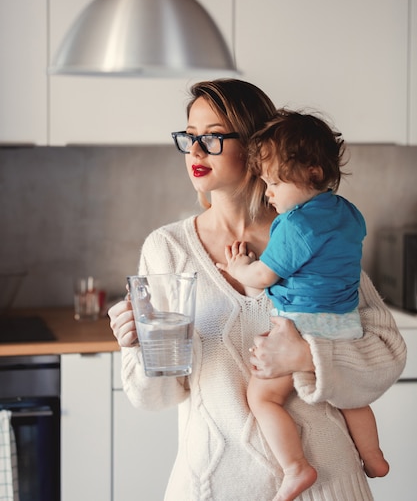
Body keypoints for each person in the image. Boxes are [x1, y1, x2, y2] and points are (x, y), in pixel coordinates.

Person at [108, 78, 406, 501]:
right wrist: (139, 344)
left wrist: (307, 356)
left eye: (211, 138)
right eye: (189, 138)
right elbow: (155, 396)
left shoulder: (313, 233)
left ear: (254, 147)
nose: (194, 152)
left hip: (328, 488)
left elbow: (387, 354)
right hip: (212, 488)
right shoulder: (167, 249)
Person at [216, 109, 389, 501]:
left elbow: (263, 277)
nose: (268, 191)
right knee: (351, 398)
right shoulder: (347, 212)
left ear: (312, 171)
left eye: (274, 181)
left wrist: (239, 266)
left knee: (263, 397)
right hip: (344, 322)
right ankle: (374, 457)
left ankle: (296, 467)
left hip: (302, 323)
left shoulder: (296, 224)